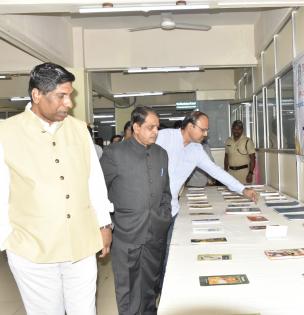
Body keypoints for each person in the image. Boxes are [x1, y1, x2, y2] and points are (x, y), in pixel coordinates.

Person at [0, 62, 113, 315]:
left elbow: (94, 181)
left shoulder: (80, 131)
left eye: (70, 95)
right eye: (61, 96)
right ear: (37, 95)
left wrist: (104, 225)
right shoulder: (5, 133)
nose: (69, 103)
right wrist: (7, 242)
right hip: (32, 249)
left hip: (81, 245)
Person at [100, 107, 171, 315]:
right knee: (128, 290)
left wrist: (163, 217)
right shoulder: (114, 153)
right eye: (150, 127)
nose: (155, 131)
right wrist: (108, 223)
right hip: (126, 234)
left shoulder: (161, 154)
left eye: (157, 127)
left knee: (150, 286)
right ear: (136, 127)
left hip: (155, 232)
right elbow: (98, 191)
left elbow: (166, 190)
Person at [156, 111, 258, 218]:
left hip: (172, 207)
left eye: (206, 130)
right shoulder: (163, 137)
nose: (205, 134)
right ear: (190, 126)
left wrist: (242, 189)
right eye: (203, 130)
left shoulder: (197, 150)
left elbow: (216, 171)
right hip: (152, 206)